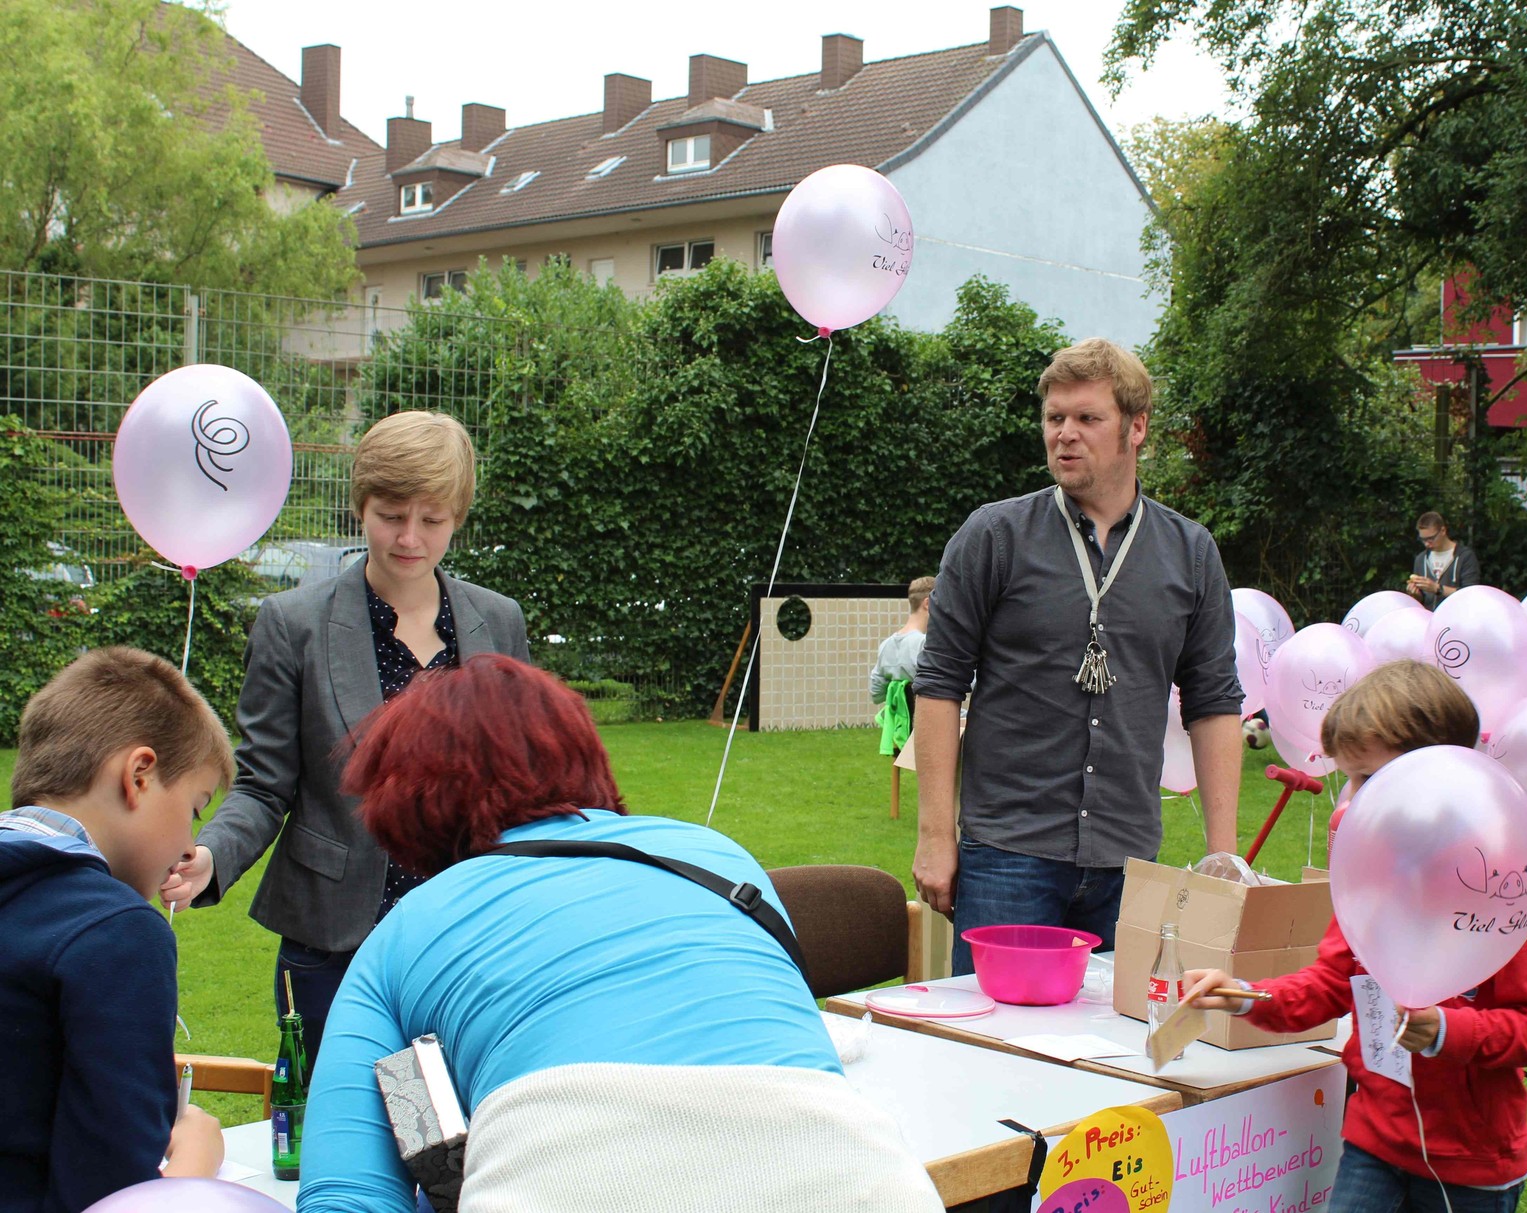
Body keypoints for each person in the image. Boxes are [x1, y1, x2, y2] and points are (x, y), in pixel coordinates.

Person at [299, 655, 942, 1212]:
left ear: (403, 804)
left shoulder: (404, 933)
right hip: (859, 1179)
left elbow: (348, 1193)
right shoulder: (719, 858)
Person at [162, 411, 531, 1063]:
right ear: (361, 504)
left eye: (432, 518)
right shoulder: (291, 624)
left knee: (463, 1139)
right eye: (391, 513)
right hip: (332, 941)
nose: (410, 536)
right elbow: (263, 783)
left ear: (458, 516)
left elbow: (526, 784)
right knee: (339, 1133)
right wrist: (212, 855)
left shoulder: (499, 622)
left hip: (466, 934)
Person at [1182, 661, 1527, 1212]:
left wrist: (1445, 1032)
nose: (1351, 802)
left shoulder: (1500, 892)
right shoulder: (1373, 880)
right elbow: (1328, 984)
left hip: (1472, 1166)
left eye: (1370, 779)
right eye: (1350, 779)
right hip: (1374, 1144)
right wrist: (1248, 995)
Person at [913, 338, 1244, 975]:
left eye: (1087, 418)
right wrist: (935, 836)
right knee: (998, 1051)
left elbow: (1214, 704)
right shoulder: (995, 537)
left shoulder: (1190, 553)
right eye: (1054, 418)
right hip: (1007, 856)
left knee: (1120, 1058)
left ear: (1136, 428)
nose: (1065, 434)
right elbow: (938, 684)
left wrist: (1222, 861)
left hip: (1129, 863)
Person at [0, 648, 230, 1212]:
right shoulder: (116, 933)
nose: (186, 848)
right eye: (196, 810)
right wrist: (195, 1170)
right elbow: (115, 1197)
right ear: (139, 775)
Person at [870, 575, 935, 755]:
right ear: (928, 603)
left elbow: (876, 694)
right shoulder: (926, 645)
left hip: (900, 732)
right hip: (930, 731)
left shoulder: (885, 646)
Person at [1406, 511, 1480, 608]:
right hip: (1428, 618)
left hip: (1456, 619)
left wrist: (1437, 589)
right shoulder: (1420, 559)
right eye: (1422, 539)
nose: (1426, 544)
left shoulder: (1465, 556)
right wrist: (1415, 595)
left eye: (1431, 538)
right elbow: (1421, 600)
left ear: (1443, 531)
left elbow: (1470, 594)